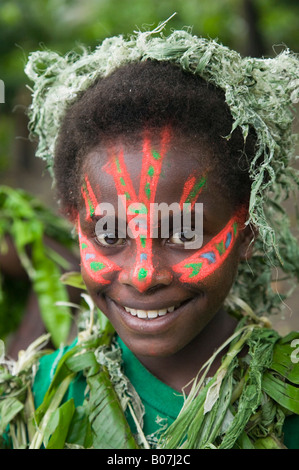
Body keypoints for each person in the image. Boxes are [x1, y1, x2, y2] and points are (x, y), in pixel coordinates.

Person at [1, 21, 299, 449]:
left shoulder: (290, 406)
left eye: (184, 233)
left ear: (248, 233)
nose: (143, 275)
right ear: (76, 229)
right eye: (109, 234)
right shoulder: (42, 399)